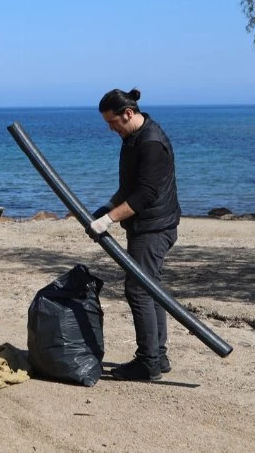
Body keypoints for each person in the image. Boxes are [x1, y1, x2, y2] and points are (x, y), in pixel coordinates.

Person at [87, 88, 181, 381]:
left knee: (139, 289)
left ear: (128, 114)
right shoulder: (132, 138)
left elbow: (144, 194)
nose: (110, 128)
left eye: (113, 122)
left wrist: (109, 221)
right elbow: (129, 186)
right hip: (145, 226)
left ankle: (148, 362)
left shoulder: (151, 143)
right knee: (151, 287)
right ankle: (159, 356)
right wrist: (108, 207)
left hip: (154, 228)